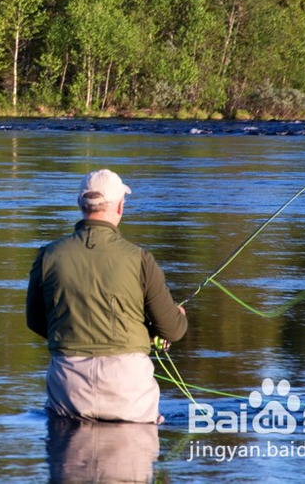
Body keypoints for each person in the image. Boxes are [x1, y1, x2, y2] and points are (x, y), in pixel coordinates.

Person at [25, 168, 187, 424]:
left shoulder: (48, 255)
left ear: (80, 204)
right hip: (128, 390)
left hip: (68, 387)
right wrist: (176, 316)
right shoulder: (140, 259)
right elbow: (173, 330)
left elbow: (35, 321)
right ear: (120, 207)